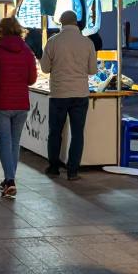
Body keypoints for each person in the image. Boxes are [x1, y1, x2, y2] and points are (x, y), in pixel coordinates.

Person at [0, 17, 37, 198]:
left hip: (1, 103)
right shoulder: (28, 52)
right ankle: (9, 180)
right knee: (14, 142)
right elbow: (32, 80)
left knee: (4, 141)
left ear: (0, 31)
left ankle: (9, 180)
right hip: (21, 104)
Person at [41, 10, 98, 180]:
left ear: (61, 23)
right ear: (76, 22)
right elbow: (92, 70)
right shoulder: (87, 42)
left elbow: (45, 69)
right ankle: (73, 171)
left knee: (55, 132)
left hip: (58, 93)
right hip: (80, 94)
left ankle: (53, 167)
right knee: (77, 133)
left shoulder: (52, 42)